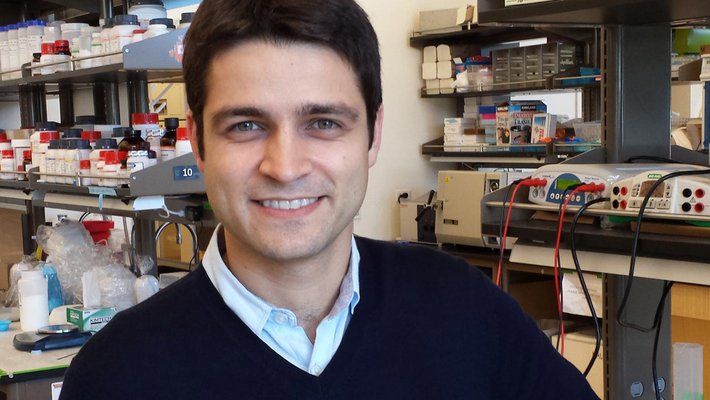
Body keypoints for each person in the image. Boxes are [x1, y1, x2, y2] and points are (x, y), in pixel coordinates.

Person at [59, 0, 599, 398]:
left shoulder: (465, 311)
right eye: (246, 125)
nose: (286, 167)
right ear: (198, 142)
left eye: (323, 122)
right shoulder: (117, 375)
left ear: (372, 135)